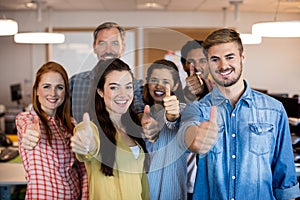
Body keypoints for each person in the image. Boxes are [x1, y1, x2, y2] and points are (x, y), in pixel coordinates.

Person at [178, 28, 300, 199]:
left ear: (242, 57)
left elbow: (285, 180)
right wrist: (194, 139)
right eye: (215, 59)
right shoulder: (197, 109)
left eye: (230, 57)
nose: (223, 66)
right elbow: (188, 132)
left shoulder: (274, 110)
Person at [70, 58, 150, 199]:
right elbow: (88, 147)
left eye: (128, 86)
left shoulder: (134, 129)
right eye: (114, 87)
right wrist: (85, 145)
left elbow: (142, 186)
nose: (123, 94)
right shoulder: (91, 129)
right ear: (100, 91)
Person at [16, 61, 88, 199]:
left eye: (59, 87)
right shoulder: (26, 119)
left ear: (65, 92)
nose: (53, 93)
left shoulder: (71, 124)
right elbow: (27, 130)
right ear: (36, 90)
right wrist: (30, 135)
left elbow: (82, 169)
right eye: (46, 86)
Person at [69, 22, 144, 122]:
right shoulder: (75, 83)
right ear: (94, 47)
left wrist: (145, 120)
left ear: (123, 48)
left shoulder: (136, 86)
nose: (108, 50)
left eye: (114, 43)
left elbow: (140, 112)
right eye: (102, 43)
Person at [142, 59, 188, 199]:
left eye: (166, 81)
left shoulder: (184, 111)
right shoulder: (143, 113)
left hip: (170, 193)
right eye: (154, 79)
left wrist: (172, 117)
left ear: (176, 84)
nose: (159, 85)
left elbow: (177, 120)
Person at [180, 39, 215, 199]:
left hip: (215, 182)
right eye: (191, 62)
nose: (197, 66)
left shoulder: (222, 96)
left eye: (202, 60)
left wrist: (205, 91)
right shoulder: (176, 97)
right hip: (185, 182)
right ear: (184, 65)